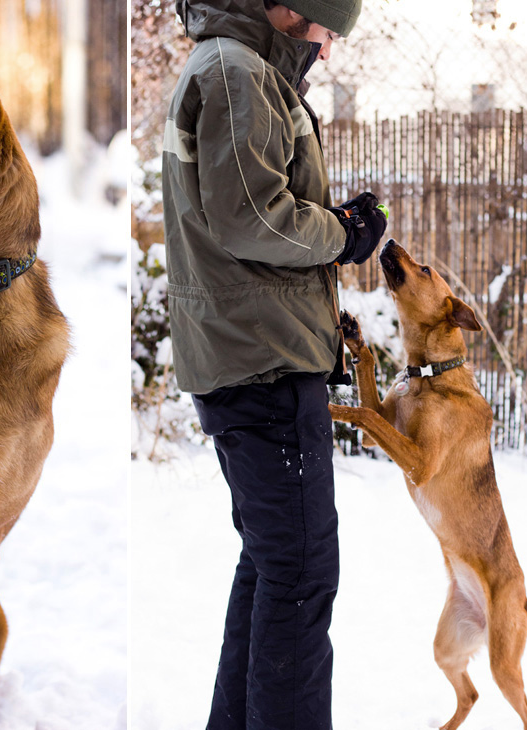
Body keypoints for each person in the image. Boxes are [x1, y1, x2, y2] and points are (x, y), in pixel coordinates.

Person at [161, 1, 386, 729]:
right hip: (262, 363)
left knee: (272, 565)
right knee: (299, 574)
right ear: (293, 11)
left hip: (255, 352)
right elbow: (252, 217)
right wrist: (343, 236)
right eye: (330, 31)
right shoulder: (238, 72)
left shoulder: (238, 68)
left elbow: (251, 209)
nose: (330, 50)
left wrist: (336, 228)